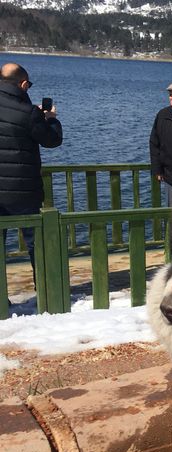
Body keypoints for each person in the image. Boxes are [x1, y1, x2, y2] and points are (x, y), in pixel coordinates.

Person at [0, 62, 63, 285]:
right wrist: (51, 119)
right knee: (35, 242)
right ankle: (45, 290)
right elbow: (52, 140)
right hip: (23, 192)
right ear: (23, 84)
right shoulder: (28, 113)